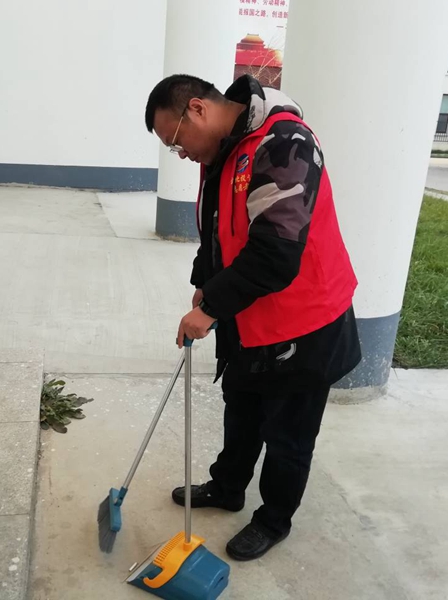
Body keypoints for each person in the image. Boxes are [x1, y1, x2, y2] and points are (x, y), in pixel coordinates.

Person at [144, 74, 362, 561]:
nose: (180, 153)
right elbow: (218, 229)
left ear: (197, 109)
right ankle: (228, 487)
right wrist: (206, 282)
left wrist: (211, 309)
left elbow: (276, 254)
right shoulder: (224, 151)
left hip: (305, 320)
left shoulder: (284, 143)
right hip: (251, 314)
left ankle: (273, 519)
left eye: (175, 141)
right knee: (241, 407)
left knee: (288, 434)